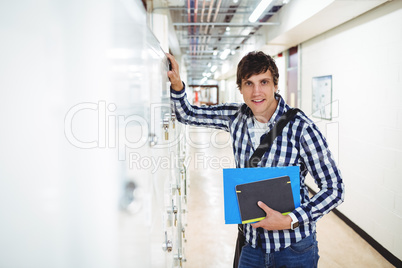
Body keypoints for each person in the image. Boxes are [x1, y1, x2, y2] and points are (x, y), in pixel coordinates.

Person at [167, 51, 344, 268]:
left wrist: (290, 219)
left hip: (293, 248)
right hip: (252, 246)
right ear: (240, 88)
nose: (257, 91)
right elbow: (188, 114)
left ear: (275, 85)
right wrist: (176, 84)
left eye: (264, 82)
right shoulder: (235, 116)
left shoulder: (301, 127)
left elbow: (335, 188)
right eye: (248, 83)